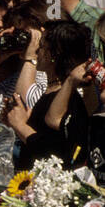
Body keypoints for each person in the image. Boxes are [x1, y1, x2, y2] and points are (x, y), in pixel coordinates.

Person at [8, 20, 92, 169]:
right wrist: (22, 120)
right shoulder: (50, 91)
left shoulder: (69, 99)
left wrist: (21, 126)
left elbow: (54, 155)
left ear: (54, 54)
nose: (36, 52)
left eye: (41, 47)